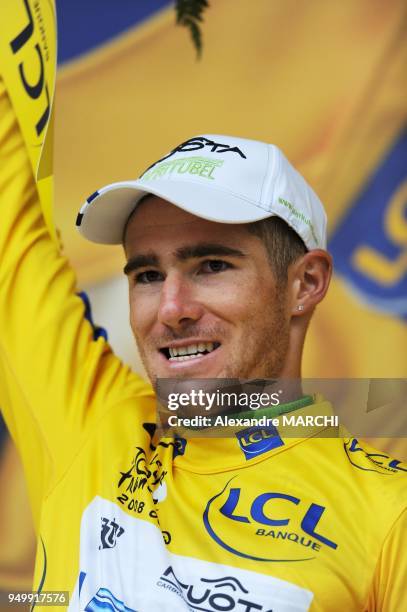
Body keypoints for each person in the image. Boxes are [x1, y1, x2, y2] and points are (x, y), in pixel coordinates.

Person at [1, 74, 406, 611]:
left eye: (211, 266)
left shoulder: (389, 516)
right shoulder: (92, 421)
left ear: (305, 284)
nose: (171, 309)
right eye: (146, 274)